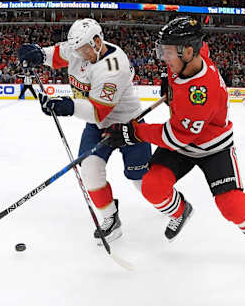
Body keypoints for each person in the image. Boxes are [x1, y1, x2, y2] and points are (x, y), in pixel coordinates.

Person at [103, 16, 245, 276]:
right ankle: (181, 210)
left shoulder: (201, 92)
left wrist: (135, 132)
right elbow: (199, 46)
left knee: (231, 204)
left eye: (168, 52)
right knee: (152, 187)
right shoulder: (193, 57)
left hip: (213, 147)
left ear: (188, 51)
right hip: (184, 138)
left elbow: (176, 137)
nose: (163, 57)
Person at [17, 18, 151, 245]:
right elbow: (57, 54)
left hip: (128, 124)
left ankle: (173, 205)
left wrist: (67, 106)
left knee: (141, 182)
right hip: (97, 126)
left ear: (98, 41)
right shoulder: (79, 48)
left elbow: (99, 112)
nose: (78, 53)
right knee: (89, 170)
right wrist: (37, 54)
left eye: (83, 49)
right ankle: (110, 218)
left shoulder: (113, 67)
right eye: (76, 49)